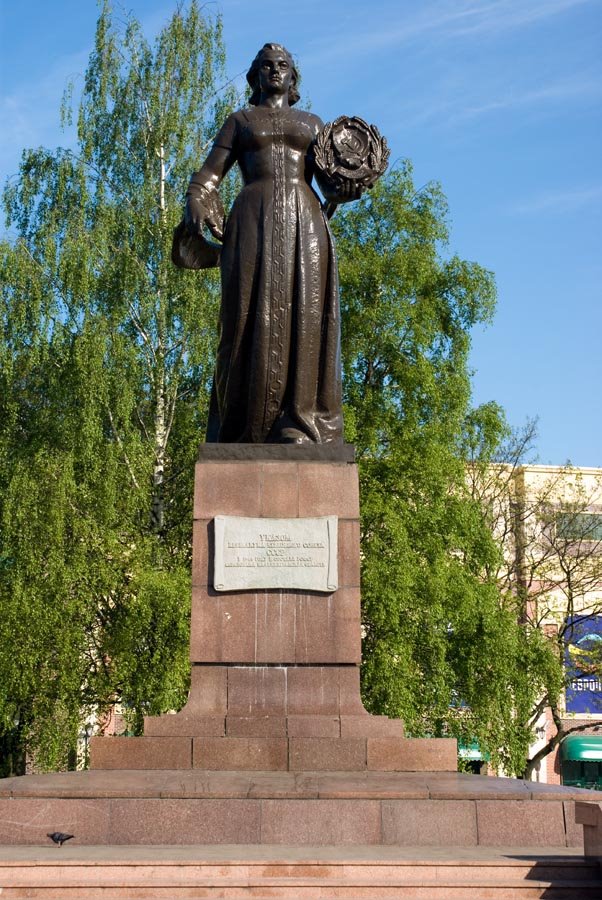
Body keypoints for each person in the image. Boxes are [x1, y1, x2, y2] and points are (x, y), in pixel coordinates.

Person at [178, 43, 359, 444]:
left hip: (305, 222)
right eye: (266, 65)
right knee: (243, 319)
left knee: (306, 319)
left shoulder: (313, 124)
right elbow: (209, 174)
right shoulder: (240, 122)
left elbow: (332, 180)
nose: (275, 71)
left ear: (293, 77)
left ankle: (298, 421)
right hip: (251, 222)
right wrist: (196, 198)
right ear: (255, 75)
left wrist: (347, 188)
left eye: (283, 66)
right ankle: (242, 424)